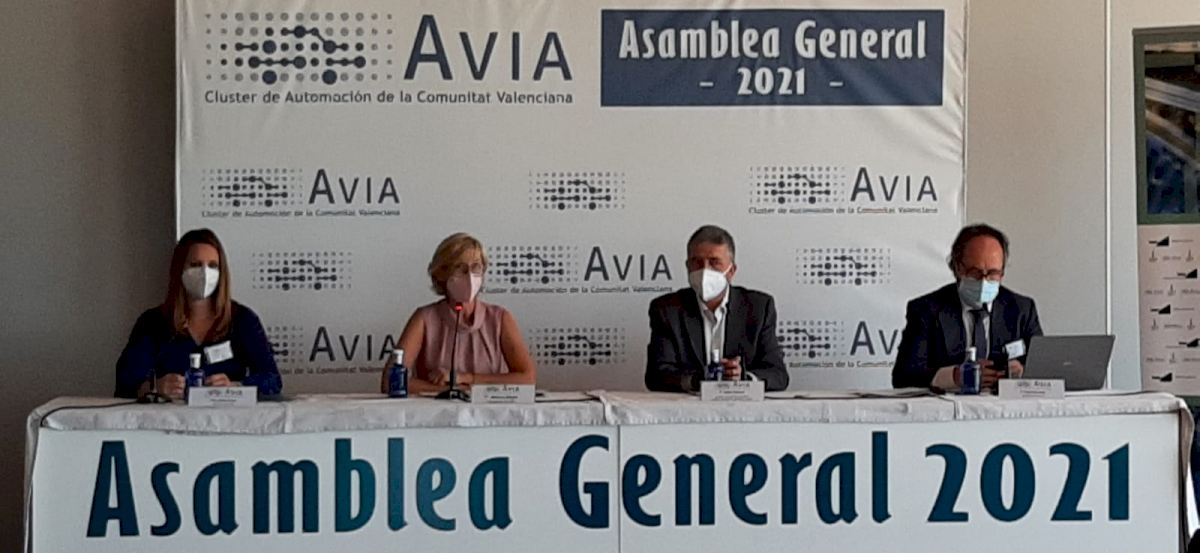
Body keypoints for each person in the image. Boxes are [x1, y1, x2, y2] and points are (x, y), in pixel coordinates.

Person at [115, 229, 282, 399]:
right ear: (179, 269)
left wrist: (235, 387)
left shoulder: (242, 320)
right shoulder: (152, 323)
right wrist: (155, 387)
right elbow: (124, 383)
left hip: (226, 414)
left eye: (213, 266)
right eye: (195, 264)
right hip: (169, 414)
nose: (205, 273)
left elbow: (272, 380)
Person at [892, 223, 1043, 391]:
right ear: (957, 267)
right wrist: (956, 376)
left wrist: (1022, 372)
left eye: (993, 273)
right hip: (949, 404)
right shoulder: (926, 310)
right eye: (975, 272)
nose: (984, 281)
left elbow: (1045, 369)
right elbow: (904, 377)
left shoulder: (1022, 309)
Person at [381, 233, 536, 394]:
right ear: (442, 274)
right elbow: (390, 382)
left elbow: (527, 378)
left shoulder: (500, 318)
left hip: (489, 409)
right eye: (460, 268)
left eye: (476, 267)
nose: (469, 276)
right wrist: (451, 391)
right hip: (436, 408)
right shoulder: (424, 318)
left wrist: (466, 378)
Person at [645, 225, 789, 392]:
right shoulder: (667, 310)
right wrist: (697, 381)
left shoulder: (759, 308)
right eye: (697, 262)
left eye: (714, 262)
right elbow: (656, 376)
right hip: (688, 406)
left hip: (742, 406)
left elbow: (778, 375)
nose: (705, 270)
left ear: (731, 271)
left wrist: (744, 378)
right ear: (687, 267)